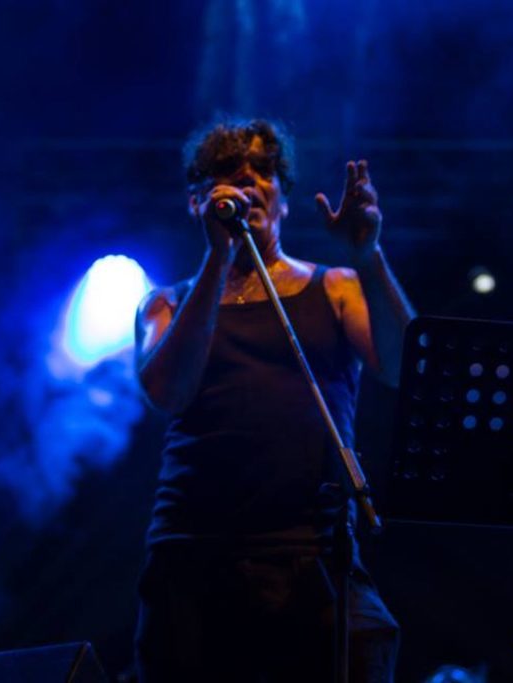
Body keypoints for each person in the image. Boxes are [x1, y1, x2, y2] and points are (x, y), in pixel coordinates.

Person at [133, 118, 415, 683]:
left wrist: (369, 254)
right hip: (195, 555)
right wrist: (219, 257)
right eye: (227, 172)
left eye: (263, 170)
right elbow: (167, 392)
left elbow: (404, 368)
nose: (247, 179)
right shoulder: (166, 304)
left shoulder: (335, 287)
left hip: (311, 551)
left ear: (283, 198)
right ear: (196, 202)